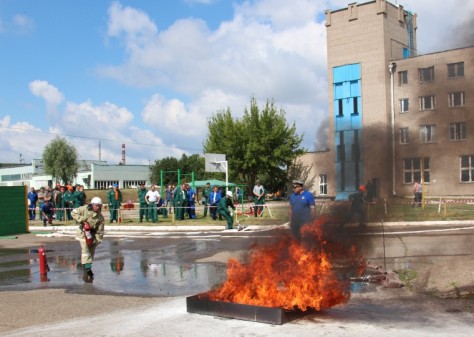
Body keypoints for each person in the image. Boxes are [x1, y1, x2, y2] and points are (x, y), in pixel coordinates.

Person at [72, 196, 105, 283]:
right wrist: (82, 220)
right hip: (83, 234)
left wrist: (97, 241)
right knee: (86, 252)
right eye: (96, 205)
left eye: (99, 206)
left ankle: (88, 267)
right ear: (92, 205)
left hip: (92, 236)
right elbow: (73, 212)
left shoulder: (100, 217)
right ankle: (86, 271)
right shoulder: (84, 209)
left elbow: (100, 231)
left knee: (91, 253)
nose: (97, 207)